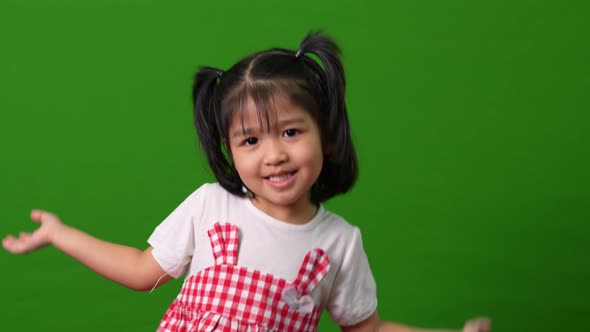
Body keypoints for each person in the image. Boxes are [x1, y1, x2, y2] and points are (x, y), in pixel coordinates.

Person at [2, 32, 491, 332]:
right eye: (250, 141)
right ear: (228, 152)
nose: (274, 154)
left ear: (326, 132)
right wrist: (59, 234)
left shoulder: (339, 243)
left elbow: (368, 328)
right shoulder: (211, 206)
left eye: (292, 132)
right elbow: (138, 270)